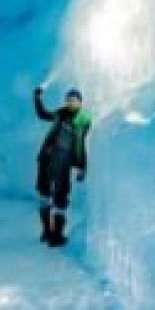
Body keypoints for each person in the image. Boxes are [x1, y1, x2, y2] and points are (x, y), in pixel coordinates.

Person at [32, 86, 92, 248]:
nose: (71, 103)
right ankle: (50, 233)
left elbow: (80, 145)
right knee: (48, 195)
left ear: (80, 102)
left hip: (57, 161)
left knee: (56, 197)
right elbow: (43, 114)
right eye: (69, 100)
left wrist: (81, 167)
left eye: (74, 100)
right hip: (50, 160)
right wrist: (37, 99)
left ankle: (53, 234)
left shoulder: (81, 119)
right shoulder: (61, 113)